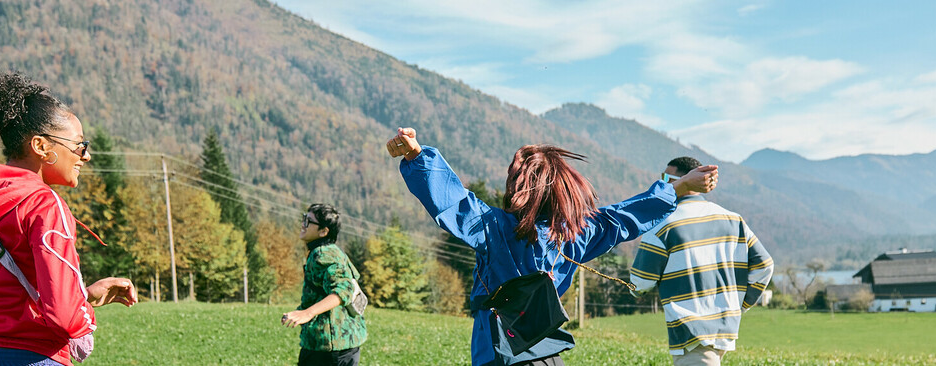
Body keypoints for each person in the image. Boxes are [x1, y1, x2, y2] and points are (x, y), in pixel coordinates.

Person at [386, 128, 717, 366]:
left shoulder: (494, 228)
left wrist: (417, 155)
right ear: (565, 189)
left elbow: (455, 203)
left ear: (517, 186)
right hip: (545, 351)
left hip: (497, 351)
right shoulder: (578, 233)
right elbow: (624, 216)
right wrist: (678, 187)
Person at [0, 72, 138, 366]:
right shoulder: (45, 204)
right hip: (26, 353)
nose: (85, 155)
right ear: (40, 146)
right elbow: (64, 316)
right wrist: (84, 314)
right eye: (79, 145)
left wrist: (84, 295)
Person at [629, 156, 774, 366]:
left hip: (690, 333)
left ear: (686, 180)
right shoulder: (734, 220)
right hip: (726, 330)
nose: (663, 184)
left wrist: (634, 288)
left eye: (666, 178)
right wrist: (739, 305)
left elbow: (640, 282)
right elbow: (765, 265)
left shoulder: (663, 225)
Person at [280, 204, 367, 366]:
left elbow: (344, 289)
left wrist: (308, 313)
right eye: (304, 218)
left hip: (328, 348)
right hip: (344, 343)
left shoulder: (322, 253)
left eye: (308, 221)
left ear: (323, 231)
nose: (303, 224)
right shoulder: (334, 250)